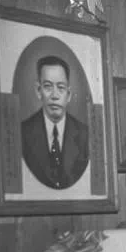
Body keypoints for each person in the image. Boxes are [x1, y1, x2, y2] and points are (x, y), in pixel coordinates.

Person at [21, 55, 90, 190]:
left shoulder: (85, 134)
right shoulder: (22, 132)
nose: (54, 95)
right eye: (47, 86)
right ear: (38, 90)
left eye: (61, 87)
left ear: (68, 94)